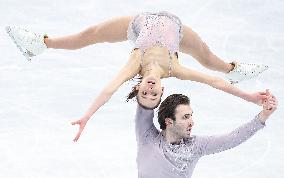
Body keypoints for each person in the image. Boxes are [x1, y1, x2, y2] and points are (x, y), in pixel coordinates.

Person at [6, 11, 268, 141]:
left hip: (139, 24)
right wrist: (249, 97)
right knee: (211, 62)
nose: (151, 89)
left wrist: (87, 117)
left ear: (140, 86)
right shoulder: (174, 70)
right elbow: (213, 82)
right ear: (162, 92)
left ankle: (41, 44)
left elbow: (109, 90)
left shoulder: (135, 63)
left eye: (145, 93)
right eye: (155, 95)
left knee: (91, 34)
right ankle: (236, 71)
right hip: (177, 30)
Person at [135, 91, 277, 178]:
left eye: (191, 116)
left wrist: (263, 115)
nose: (192, 122)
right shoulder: (147, 136)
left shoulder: (195, 146)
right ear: (169, 121)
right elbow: (146, 101)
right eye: (185, 117)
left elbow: (232, 139)